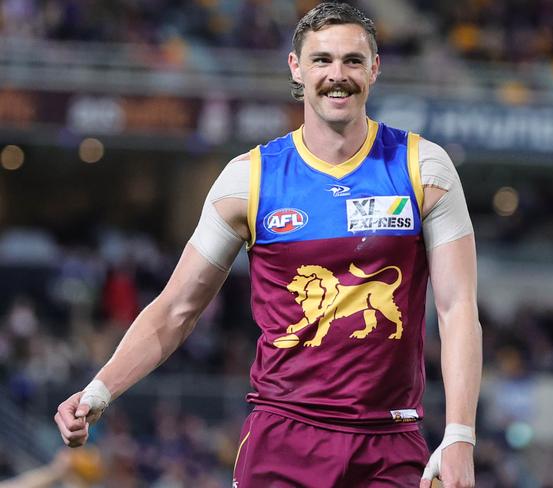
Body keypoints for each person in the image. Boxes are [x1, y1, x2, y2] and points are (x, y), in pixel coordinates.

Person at [54, 3, 482, 487]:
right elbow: (176, 310)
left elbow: (456, 308)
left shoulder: (425, 168)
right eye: (322, 60)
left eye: (352, 61)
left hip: (389, 442)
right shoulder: (248, 179)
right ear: (296, 68)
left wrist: (460, 435)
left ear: (375, 69)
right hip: (281, 441)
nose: (336, 75)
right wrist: (97, 392)